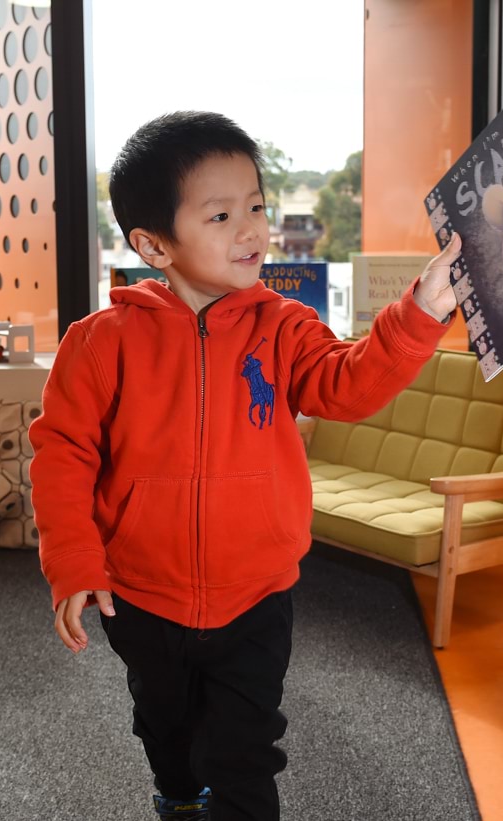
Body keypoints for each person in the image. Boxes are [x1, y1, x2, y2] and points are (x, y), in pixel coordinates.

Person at [28, 111, 461, 821]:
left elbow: (347, 383)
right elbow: (62, 456)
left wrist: (420, 312)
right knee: (165, 725)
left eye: (256, 206)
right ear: (153, 243)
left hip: (256, 596)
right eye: (222, 214)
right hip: (141, 595)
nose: (252, 228)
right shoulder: (100, 341)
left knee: (247, 750)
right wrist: (74, 562)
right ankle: (175, 789)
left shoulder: (284, 325)